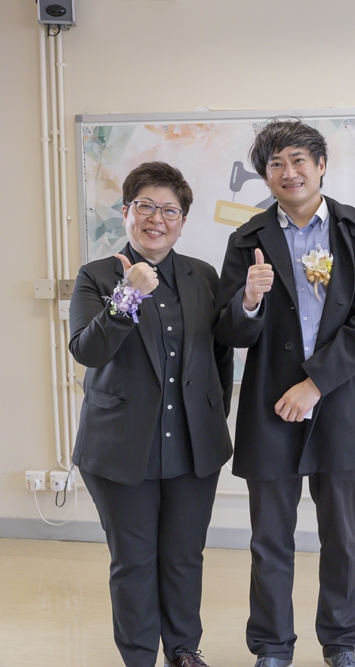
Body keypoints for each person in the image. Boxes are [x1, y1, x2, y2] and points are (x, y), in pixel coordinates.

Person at [215, 119, 355, 667]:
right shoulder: (247, 239)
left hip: (340, 399)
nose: (288, 172)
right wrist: (248, 301)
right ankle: (272, 647)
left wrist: (315, 384)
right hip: (271, 403)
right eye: (275, 164)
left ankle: (340, 643)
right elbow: (229, 331)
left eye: (298, 160)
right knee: (269, 537)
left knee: (340, 534)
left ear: (320, 165)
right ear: (265, 176)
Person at [69, 162, 234, 667]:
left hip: (191, 445)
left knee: (184, 557)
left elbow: (220, 357)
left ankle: (183, 650)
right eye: (145, 206)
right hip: (120, 447)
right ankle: (139, 657)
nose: (156, 219)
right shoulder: (97, 276)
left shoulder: (203, 276)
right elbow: (87, 350)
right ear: (126, 212)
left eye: (169, 210)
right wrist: (128, 294)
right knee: (134, 561)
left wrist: (210, 418)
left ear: (182, 221)